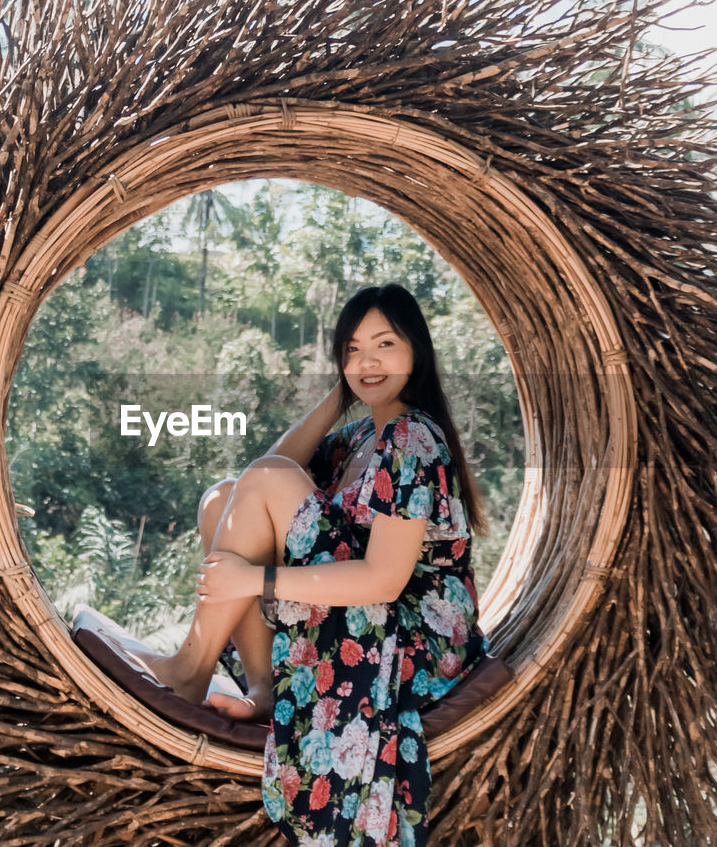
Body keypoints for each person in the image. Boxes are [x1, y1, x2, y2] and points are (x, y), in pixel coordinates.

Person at [139, 283, 489, 847]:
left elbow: (385, 578)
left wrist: (255, 579)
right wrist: (344, 393)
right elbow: (271, 465)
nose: (366, 361)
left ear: (416, 352)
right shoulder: (359, 436)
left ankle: (190, 667)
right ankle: (263, 687)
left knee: (260, 485)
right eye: (351, 350)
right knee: (220, 497)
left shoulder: (413, 438)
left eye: (384, 345)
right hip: (360, 601)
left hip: (409, 630)